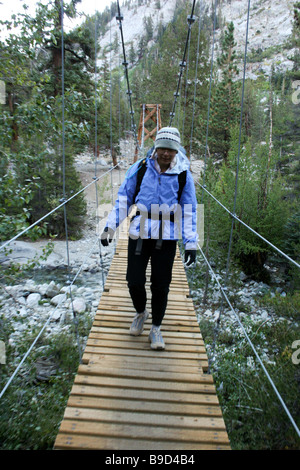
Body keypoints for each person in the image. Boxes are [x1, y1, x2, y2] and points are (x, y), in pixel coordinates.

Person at [101, 127, 198, 350]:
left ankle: (156, 328)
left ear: (177, 151)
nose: (166, 153)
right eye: (162, 148)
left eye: (171, 150)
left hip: (168, 233)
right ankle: (141, 312)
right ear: (156, 147)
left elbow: (190, 210)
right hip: (140, 229)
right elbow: (124, 199)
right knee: (133, 280)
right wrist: (110, 227)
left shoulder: (184, 175)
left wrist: (191, 243)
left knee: (161, 285)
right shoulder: (140, 169)